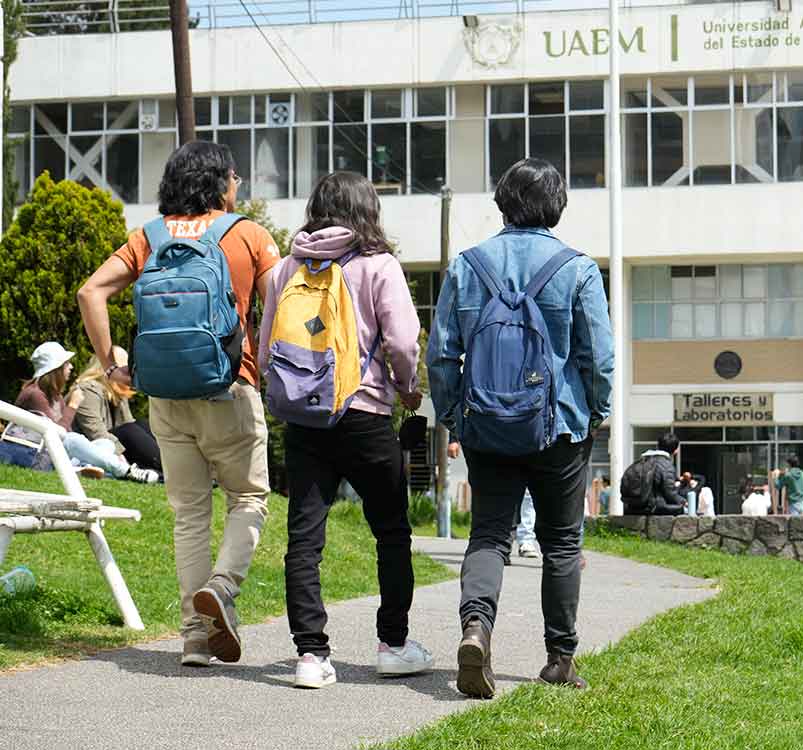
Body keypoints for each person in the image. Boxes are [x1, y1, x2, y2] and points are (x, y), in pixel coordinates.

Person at [77, 141, 278, 668]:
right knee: (249, 498)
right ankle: (223, 587)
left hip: (164, 394)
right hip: (230, 387)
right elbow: (278, 300)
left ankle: (194, 636)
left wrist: (113, 366)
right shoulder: (248, 234)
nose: (238, 186)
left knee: (189, 514)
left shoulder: (149, 236)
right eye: (235, 177)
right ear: (221, 182)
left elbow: (90, 292)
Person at [427, 157, 614, 699]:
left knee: (489, 534)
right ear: (556, 206)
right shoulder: (576, 269)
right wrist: (594, 411)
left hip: (487, 426)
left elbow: (441, 355)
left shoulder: (468, 266)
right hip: (559, 428)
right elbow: (598, 357)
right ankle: (559, 658)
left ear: (503, 201)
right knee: (560, 543)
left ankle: (475, 629)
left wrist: (454, 415)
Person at [258, 171, 431, 689]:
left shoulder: (287, 267)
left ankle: (311, 655)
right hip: (367, 414)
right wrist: (407, 387)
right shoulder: (380, 266)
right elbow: (402, 343)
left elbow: (268, 346)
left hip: (307, 419)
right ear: (368, 210)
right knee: (391, 532)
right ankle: (393, 645)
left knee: (305, 538)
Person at [15, 342, 158, 483]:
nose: (71, 367)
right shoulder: (35, 394)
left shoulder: (55, 395)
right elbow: (57, 435)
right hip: (39, 455)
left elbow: (127, 424)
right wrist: (72, 406)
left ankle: (85, 468)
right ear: (55, 369)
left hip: (64, 454)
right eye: (66, 364)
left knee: (106, 444)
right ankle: (125, 470)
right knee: (74, 439)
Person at [70, 347, 162, 474]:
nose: (129, 372)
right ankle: (166, 467)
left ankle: (167, 462)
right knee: (128, 431)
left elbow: (130, 423)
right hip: (92, 449)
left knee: (140, 424)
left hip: (113, 445)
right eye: (124, 367)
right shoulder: (87, 390)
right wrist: (120, 457)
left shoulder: (115, 390)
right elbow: (95, 431)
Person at [627, 433, 689, 516]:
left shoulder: (641, 461)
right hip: (653, 508)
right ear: (675, 450)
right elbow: (670, 493)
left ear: (657, 446)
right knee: (686, 510)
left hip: (632, 507)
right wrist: (683, 501)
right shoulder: (666, 465)